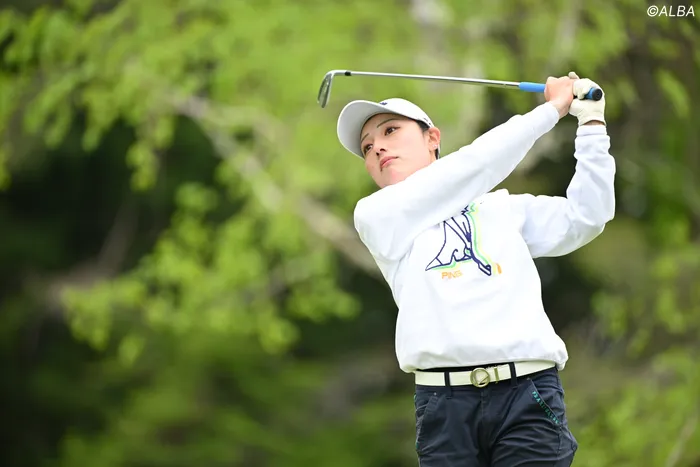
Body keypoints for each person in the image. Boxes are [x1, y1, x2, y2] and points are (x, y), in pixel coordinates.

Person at [335, 72, 615, 466]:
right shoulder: (377, 216)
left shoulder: (500, 208)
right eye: (367, 147)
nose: (378, 147)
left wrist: (591, 124)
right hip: (444, 404)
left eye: (390, 131)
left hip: (528, 392)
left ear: (432, 138)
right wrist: (552, 109)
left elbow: (587, 216)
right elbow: (475, 165)